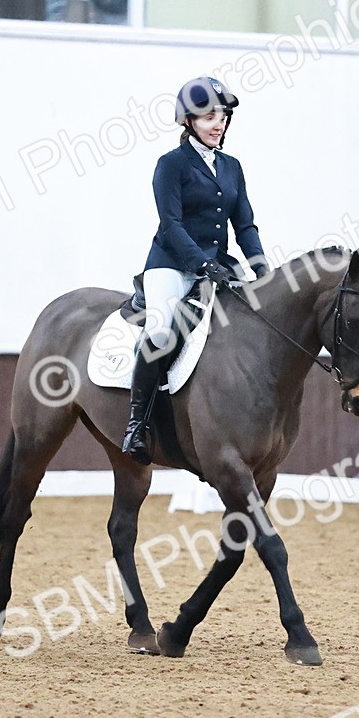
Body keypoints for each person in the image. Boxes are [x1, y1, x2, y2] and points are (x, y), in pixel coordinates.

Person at [121, 76, 269, 464]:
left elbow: (245, 226)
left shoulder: (232, 167)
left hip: (218, 267)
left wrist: (261, 268)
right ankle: (137, 424)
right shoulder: (170, 165)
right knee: (161, 331)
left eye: (221, 115)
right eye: (207, 116)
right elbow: (172, 225)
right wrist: (202, 264)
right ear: (188, 122)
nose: (217, 122)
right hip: (172, 265)